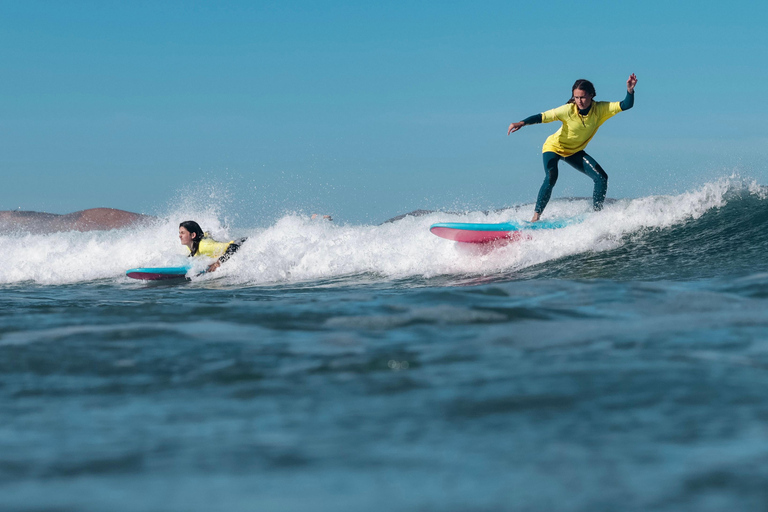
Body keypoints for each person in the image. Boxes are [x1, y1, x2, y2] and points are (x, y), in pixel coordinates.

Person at [508, 74, 638, 221]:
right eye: (576, 97)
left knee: (601, 178)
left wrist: (630, 90)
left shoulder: (601, 109)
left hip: (574, 151)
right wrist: (521, 123)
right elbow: (543, 117)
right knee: (551, 176)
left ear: (591, 95)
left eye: (582, 97)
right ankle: (536, 217)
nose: (579, 101)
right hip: (554, 147)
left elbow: (626, 105)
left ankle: (596, 216)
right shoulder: (568, 110)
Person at [178, 220, 247, 272]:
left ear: (193, 235)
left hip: (241, 242)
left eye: (183, 233)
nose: (180, 236)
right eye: (180, 233)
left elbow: (234, 246)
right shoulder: (190, 244)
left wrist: (219, 262)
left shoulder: (205, 247)